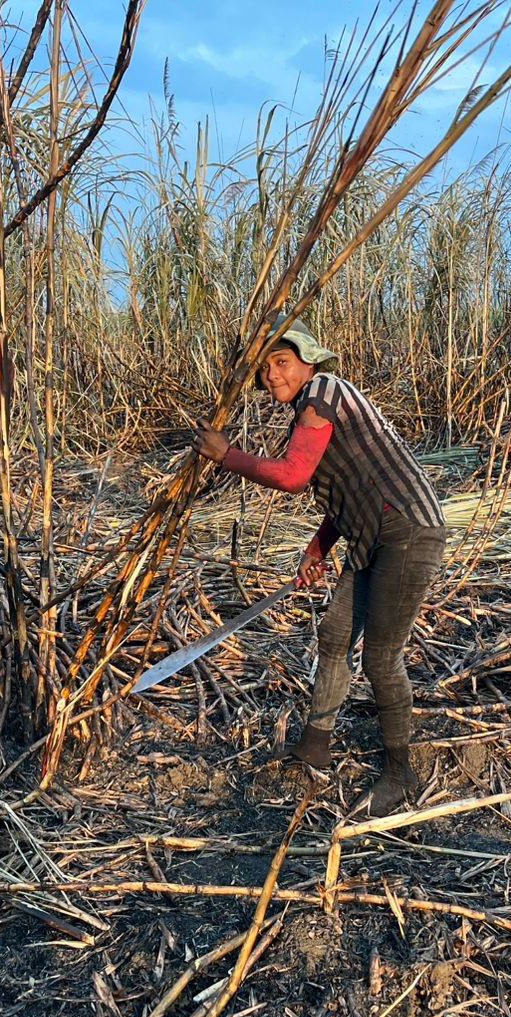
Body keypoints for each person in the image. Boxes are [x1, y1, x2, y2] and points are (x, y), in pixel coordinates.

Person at [192, 317, 447, 816]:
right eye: (264, 368)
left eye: (281, 362)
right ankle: (315, 746)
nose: (272, 375)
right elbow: (352, 486)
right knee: (334, 637)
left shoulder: (323, 392)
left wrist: (226, 456)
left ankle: (400, 772)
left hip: (409, 533)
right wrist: (318, 547)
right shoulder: (314, 409)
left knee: (380, 659)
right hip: (374, 536)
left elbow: (292, 476)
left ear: (309, 360)